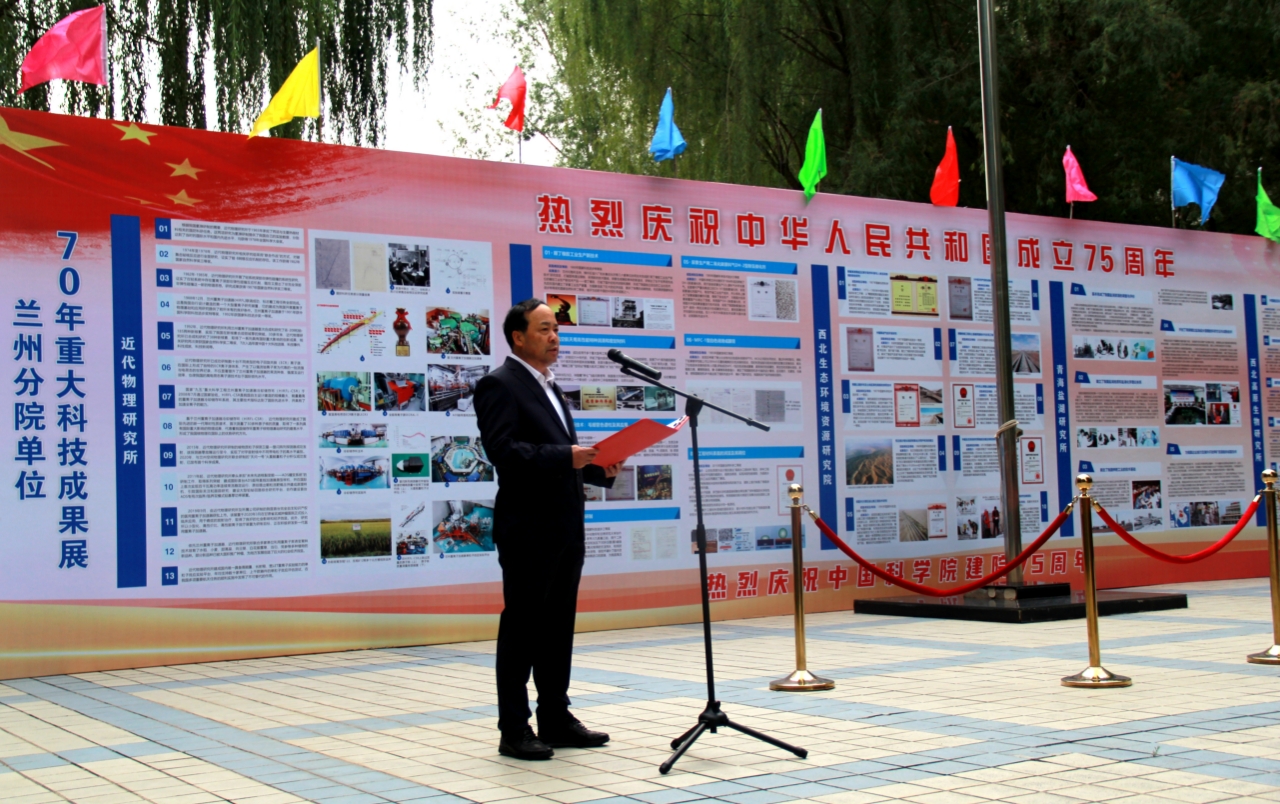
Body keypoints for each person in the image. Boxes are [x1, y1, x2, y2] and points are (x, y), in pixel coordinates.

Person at [474, 298, 623, 761]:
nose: (554, 336)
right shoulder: (499, 384)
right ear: (518, 338)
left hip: (565, 526)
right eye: (543, 329)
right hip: (528, 528)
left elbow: (557, 454)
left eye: (556, 328)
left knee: (558, 627)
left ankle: (555, 718)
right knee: (522, 628)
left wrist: (599, 468)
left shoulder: (551, 385)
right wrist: (567, 456)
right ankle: (514, 728)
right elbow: (504, 452)